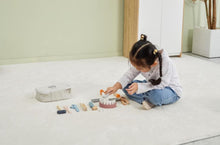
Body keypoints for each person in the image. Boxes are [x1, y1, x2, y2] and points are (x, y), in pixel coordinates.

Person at [105, 34, 182, 110]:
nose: (137, 69)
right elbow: (129, 74)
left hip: (169, 89)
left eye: (139, 68)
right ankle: (148, 100)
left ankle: (150, 99)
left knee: (155, 96)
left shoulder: (166, 63)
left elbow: (162, 84)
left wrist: (141, 87)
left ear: (153, 64)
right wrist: (115, 87)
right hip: (151, 85)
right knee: (126, 86)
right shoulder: (142, 60)